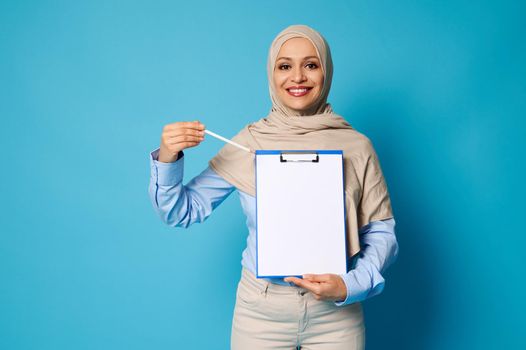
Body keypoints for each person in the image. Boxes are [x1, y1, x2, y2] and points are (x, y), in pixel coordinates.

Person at [148, 24, 398, 350]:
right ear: (272, 73)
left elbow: (382, 233)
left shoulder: (356, 146)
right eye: (285, 66)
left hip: (336, 315)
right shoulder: (250, 142)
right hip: (260, 311)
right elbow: (180, 212)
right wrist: (168, 156)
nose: (297, 77)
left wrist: (351, 285)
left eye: (311, 64)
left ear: (326, 71)